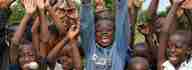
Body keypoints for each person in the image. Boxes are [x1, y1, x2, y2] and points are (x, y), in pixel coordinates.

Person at [80, 0, 131, 70]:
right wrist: (86, 4)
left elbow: (122, 21)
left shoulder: (119, 49)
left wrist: (122, 2)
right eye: (99, 31)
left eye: (109, 30)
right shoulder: (90, 48)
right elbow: (86, 27)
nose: (104, 33)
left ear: (115, 32)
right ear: (94, 33)